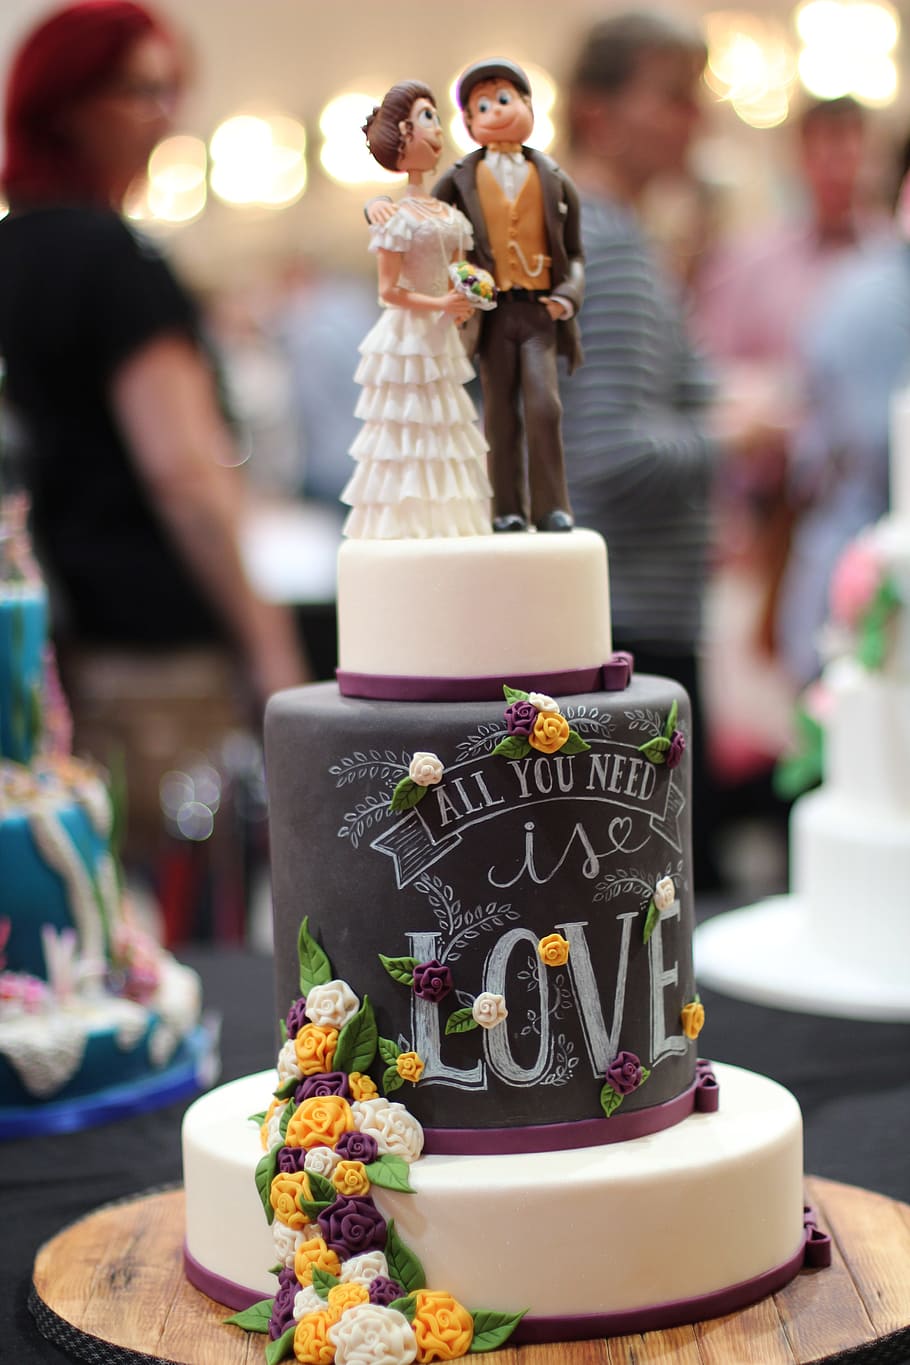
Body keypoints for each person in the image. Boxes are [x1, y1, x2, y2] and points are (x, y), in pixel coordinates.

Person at [0, 1, 307, 865]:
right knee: (181, 901)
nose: (167, 116)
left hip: (47, 642)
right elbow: (184, 474)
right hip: (155, 654)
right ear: (67, 105)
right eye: (141, 91)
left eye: (171, 91)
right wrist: (270, 645)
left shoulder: (11, 252)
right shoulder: (116, 261)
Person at [561, 11, 721, 885]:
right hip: (632, 612)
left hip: (625, 604)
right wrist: (733, 437)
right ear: (598, 111)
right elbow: (612, 457)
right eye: (672, 99)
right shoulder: (608, 237)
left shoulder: (602, 230)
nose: (692, 121)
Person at [695, 96, 889, 664]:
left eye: (853, 147)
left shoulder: (889, 262)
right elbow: (708, 377)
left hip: (865, 495)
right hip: (771, 502)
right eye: (824, 148)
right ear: (800, 157)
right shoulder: (751, 263)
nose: (840, 164)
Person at [343, 80, 491, 539]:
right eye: (428, 118)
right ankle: (406, 522)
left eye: (438, 119)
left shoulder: (447, 214)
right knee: (407, 423)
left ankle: (445, 519)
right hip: (409, 334)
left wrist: (467, 295)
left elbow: (458, 269)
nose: (438, 130)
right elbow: (389, 291)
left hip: (442, 330)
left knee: (443, 422)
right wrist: (439, 302)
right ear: (403, 133)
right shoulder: (395, 217)